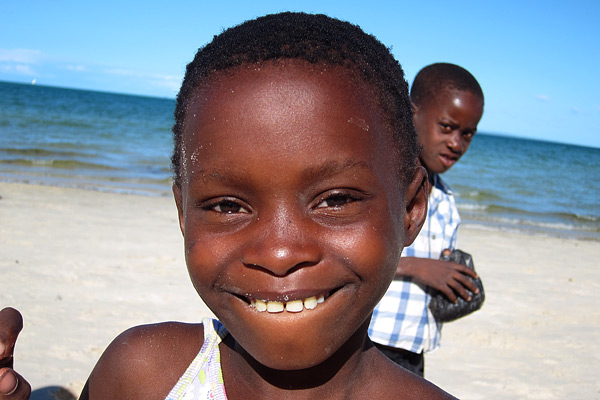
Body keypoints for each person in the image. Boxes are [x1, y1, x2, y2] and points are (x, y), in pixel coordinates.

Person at [1, 13, 458, 399]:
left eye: (335, 200)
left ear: (411, 208)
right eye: (227, 206)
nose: (280, 253)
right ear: (183, 212)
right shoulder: (143, 377)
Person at [368, 62, 485, 377]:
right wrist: (420, 269)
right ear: (411, 112)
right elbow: (354, 257)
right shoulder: (384, 181)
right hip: (369, 342)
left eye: (468, 134)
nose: (456, 143)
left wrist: (454, 279)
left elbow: (439, 271)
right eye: (446, 127)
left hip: (414, 348)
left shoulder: (447, 201)